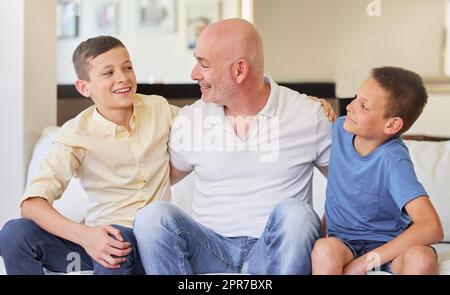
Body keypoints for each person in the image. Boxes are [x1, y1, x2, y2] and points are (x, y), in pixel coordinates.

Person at [133, 18, 335, 275]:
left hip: (272, 247)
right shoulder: (191, 119)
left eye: (203, 64)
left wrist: (328, 240)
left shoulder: (308, 115)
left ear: (239, 70)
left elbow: (346, 184)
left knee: (297, 214)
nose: (194, 74)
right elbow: (149, 182)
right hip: (210, 248)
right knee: (153, 217)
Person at [0, 36, 177, 275]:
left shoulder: (159, 109)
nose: (122, 78)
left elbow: (201, 131)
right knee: (14, 233)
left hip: (146, 244)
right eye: (108, 73)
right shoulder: (75, 134)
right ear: (84, 87)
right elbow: (32, 205)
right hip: (94, 247)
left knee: (116, 240)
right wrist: (87, 237)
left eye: (127, 68)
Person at [311, 67, 444, 275]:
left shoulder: (393, 159)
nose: (350, 106)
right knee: (324, 250)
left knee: (422, 258)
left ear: (392, 125)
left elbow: (431, 227)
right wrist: (311, 105)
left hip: (390, 247)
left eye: (364, 105)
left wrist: (361, 265)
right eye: (356, 97)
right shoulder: (338, 130)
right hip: (343, 244)